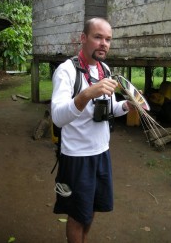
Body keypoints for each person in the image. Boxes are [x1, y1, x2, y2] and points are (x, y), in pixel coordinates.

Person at [51, 17, 132, 242]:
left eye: (108, 39)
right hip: (77, 157)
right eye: (98, 37)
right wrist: (87, 93)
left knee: (91, 211)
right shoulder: (66, 71)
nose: (104, 43)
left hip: (101, 153)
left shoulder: (105, 69)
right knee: (77, 216)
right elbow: (58, 117)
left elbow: (110, 109)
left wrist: (127, 105)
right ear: (83, 38)